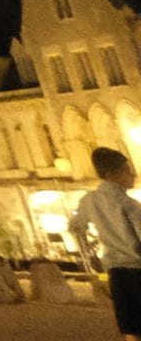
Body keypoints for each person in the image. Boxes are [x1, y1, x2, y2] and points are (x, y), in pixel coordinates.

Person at [70, 146, 141, 341]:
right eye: (127, 170)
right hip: (138, 268)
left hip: (116, 271)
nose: (132, 174)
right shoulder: (130, 205)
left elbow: (76, 227)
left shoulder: (88, 200)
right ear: (111, 174)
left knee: (131, 327)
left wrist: (90, 254)